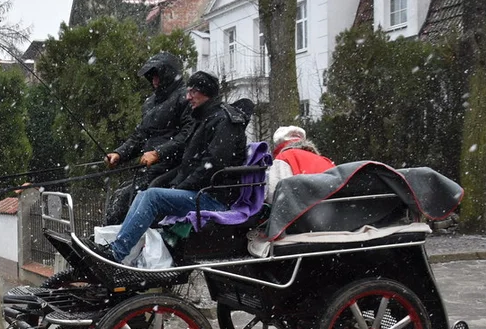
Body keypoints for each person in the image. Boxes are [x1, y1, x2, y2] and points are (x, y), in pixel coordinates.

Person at [94, 71, 247, 263]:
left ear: (205, 92)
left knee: (152, 197)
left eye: (192, 92)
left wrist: (180, 187)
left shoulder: (224, 121)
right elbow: (189, 163)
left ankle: (117, 253)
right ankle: (119, 249)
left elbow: (212, 166)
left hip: (213, 197)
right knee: (144, 194)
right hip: (200, 192)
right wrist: (172, 183)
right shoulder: (204, 118)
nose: (188, 97)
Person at [102, 52, 191, 224]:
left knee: (124, 199)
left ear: (168, 75)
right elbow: (139, 136)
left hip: (171, 170)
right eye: (151, 77)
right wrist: (119, 154)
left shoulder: (184, 98)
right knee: (120, 195)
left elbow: (187, 135)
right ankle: (111, 240)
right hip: (149, 170)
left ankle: (118, 245)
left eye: (157, 76)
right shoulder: (150, 103)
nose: (154, 81)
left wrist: (158, 153)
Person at [266, 126, 336, 202]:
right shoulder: (325, 160)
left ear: (278, 145)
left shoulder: (284, 157)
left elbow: (275, 194)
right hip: (332, 211)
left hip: (305, 211)